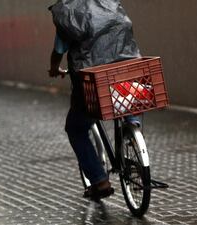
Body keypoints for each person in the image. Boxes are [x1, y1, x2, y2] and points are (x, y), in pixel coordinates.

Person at [48, 34, 140, 200]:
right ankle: (132, 123)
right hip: (125, 66)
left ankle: (100, 181)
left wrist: (54, 68)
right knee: (124, 96)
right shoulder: (112, 7)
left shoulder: (69, 15)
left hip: (93, 78)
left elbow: (58, 50)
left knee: (75, 129)